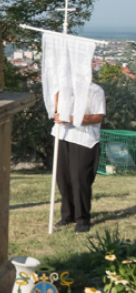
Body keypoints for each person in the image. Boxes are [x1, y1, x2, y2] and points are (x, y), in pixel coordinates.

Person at [53, 82, 107, 233]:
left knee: (80, 180)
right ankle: (67, 215)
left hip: (84, 139)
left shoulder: (95, 90)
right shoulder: (63, 87)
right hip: (63, 135)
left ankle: (82, 219)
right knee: (63, 178)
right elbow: (56, 109)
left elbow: (97, 117)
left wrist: (70, 118)